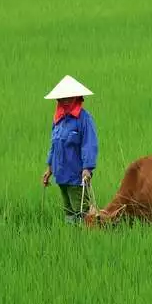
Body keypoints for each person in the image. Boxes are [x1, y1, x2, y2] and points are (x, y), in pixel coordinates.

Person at [41, 75, 99, 224]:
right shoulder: (58, 120)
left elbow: (89, 144)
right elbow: (54, 146)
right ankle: (72, 237)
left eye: (69, 97)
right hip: (61, 174)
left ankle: (85, 238)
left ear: (76, 97)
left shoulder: (84, 119)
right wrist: (49, 169)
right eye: (62, 97)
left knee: (82, 212)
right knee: (68, 211)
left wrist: (87, 168)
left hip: (76, 176)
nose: (65, 100)